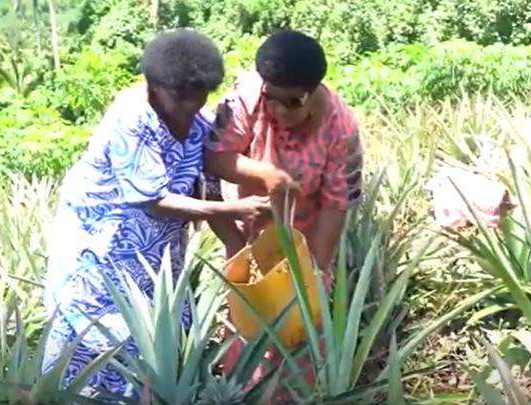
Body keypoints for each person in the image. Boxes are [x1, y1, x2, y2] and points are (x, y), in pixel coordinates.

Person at [41, 28, 271, 400]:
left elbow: (208, 193)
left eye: (199, 97)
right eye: (180, 96)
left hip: (157, 258)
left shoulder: (201, 125)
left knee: (158, 349)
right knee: (98, 349)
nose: (190, 106)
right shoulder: (132, 116)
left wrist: (240, 251)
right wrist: (235, 208)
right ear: (154, 85)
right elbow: (152, 200)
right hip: (102, 251)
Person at [203, 29, 365, 388]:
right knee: (250, 340)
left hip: (306, 239)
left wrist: (316, 271)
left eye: (291, 102)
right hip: (252, 237)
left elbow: (336, 205)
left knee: (303, 336)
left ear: (314, 91)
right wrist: (265, 174)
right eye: (271, 99)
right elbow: (216, 157)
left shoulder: (342, 128)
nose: (276, 110)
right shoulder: (246, 96)